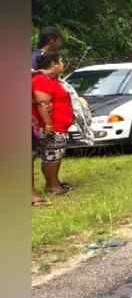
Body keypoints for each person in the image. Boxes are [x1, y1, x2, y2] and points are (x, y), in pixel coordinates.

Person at [31, 52, 73, 205]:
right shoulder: (41, 80)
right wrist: (48, 124)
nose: (63, 64)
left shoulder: (52, 80)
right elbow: (42, 103)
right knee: (51, 156)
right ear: (53, 65)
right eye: (61, 61)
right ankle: (52, 186)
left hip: (59, 126)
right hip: (50, 126)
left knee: (55, 154)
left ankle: (54, 183)